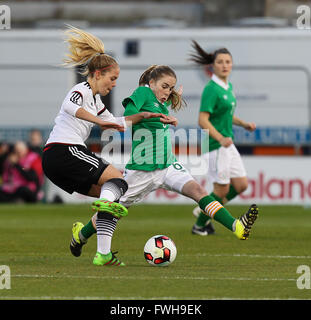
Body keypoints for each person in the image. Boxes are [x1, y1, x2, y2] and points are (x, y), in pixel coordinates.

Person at [42, 26, 169, 267]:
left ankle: (100, 251)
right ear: (98, 74)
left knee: (113, 197)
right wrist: (99, 121)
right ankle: (101, 248)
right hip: (62, 151)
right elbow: (71, 107)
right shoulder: (81, 90)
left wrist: (150, 116)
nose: (113, 84)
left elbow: (117, 122)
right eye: (113, 79)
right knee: (118, 182)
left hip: (57, 163)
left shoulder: (97, 102)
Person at [117, 65, 258, 241]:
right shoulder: (142, 93)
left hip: (167, 165)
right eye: (164, 86)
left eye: (171, 88)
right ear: (151, 82)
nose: (167, 91)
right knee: (115, 210)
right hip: (142, 168)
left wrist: (171, 99)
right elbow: (129, 114)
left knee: (198, 191)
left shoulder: (158, 101)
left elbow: (159, 104)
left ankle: (236, 226)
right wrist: (148, 115)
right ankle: (82, 235)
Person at [189, 40, 257, 236]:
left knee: (241, 185)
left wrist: (244, 124)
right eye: (220, 62)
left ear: (232, 64)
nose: (225, 65)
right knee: (220, 190)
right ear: (213, 65)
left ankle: (206, 208)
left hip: (226, 143)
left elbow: (225, 115)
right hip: (215, 145)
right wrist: (219, 138)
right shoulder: (211, 88)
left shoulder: (227, 87)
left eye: (228, 61)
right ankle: (200, 225)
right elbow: (202, 119)